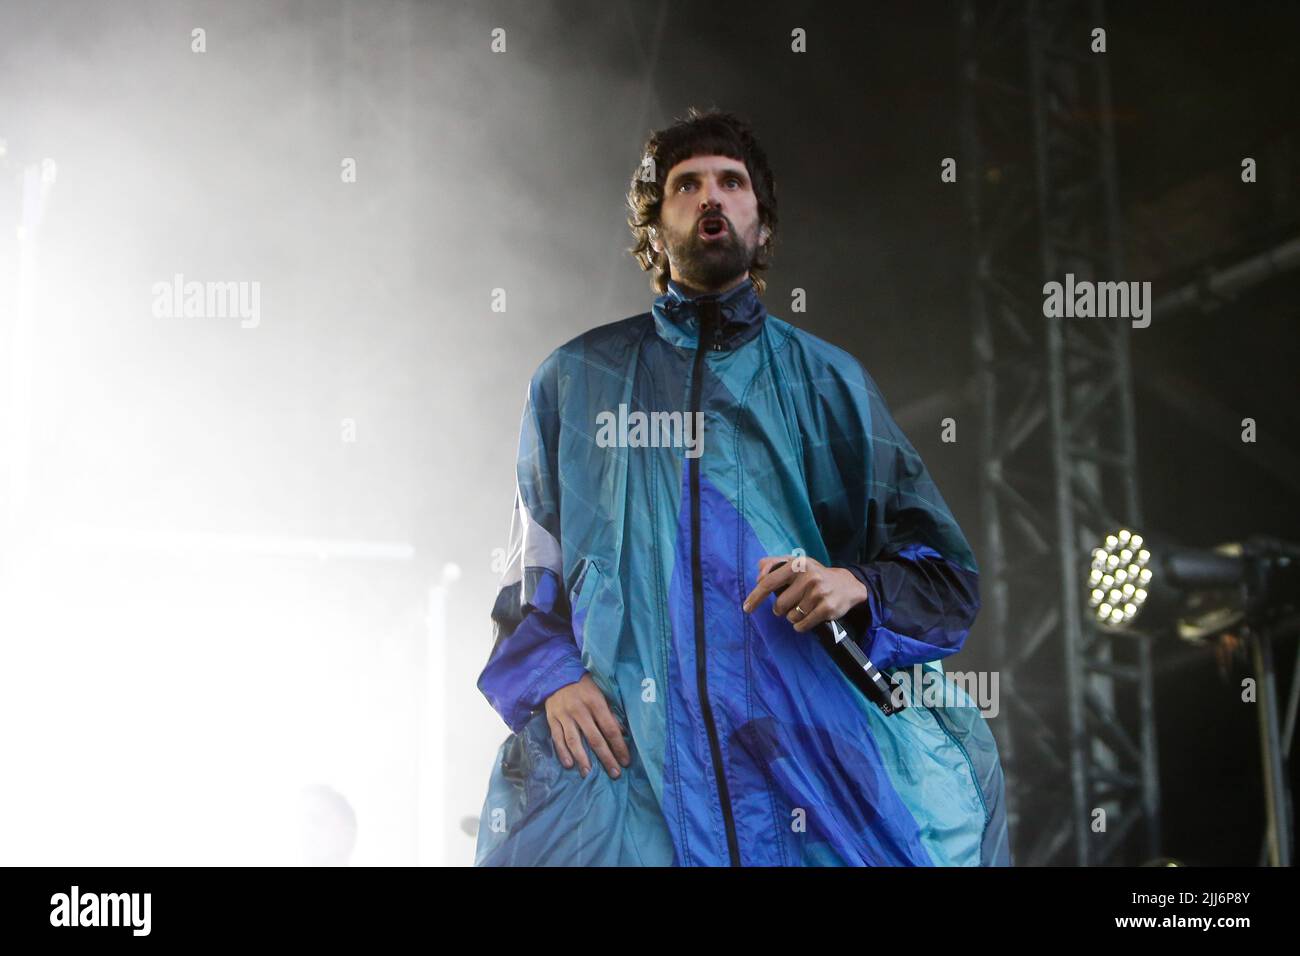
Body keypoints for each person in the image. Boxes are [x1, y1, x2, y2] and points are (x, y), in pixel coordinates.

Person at [474, 107, 1010, 866]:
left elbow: (946, 579)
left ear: (762, 223)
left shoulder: (829, 382)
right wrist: (550, 678)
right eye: (686, 185)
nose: (711, 197)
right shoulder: (574, 381)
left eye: (732, 182)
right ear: (655, 229)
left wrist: (852, 585)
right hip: (629, 778)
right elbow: (531, 563)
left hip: (805, 769)